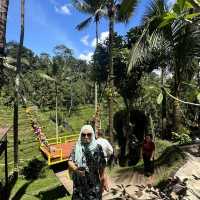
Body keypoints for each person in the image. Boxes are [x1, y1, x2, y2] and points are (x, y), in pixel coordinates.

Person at [68, 125, 108, 200]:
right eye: (83, 135)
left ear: (92, 135)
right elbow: (70, 161)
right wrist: (76, 169)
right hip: (79, 185)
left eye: (89, 134)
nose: (86, 137)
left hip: (93, 185)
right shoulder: (76, 147)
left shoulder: (98, 148)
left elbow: (102, 167)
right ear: (81, 135)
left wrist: (103, 182)